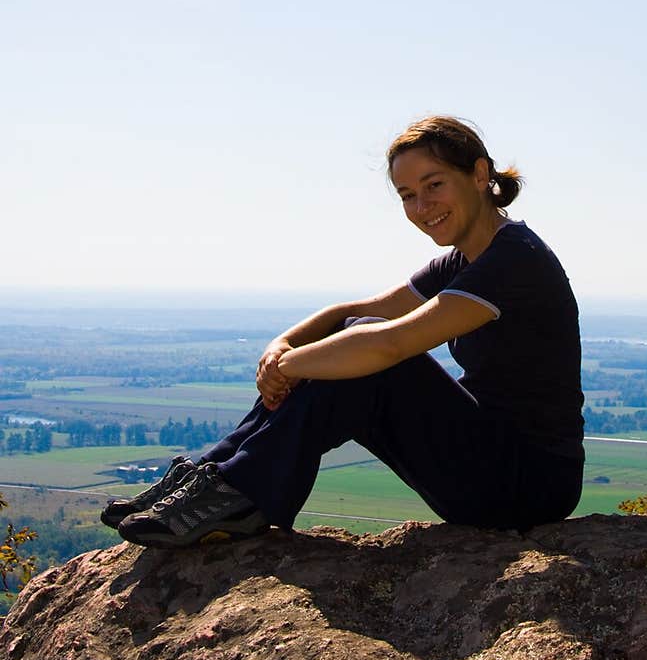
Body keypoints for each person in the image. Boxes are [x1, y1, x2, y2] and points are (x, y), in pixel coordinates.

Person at [102, 115, 585, 548]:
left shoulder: (514, 259)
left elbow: (388, 343)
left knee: (369, 363)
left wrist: (289, 364)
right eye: (407, 195)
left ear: (479, 175)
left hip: (529, 483)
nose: (421, 206)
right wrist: (281, 347)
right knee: (348, 339)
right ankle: (209, 478)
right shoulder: (464, 259)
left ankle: (242, 496)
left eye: (433, 185)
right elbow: (353, 312)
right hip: (487, 461)